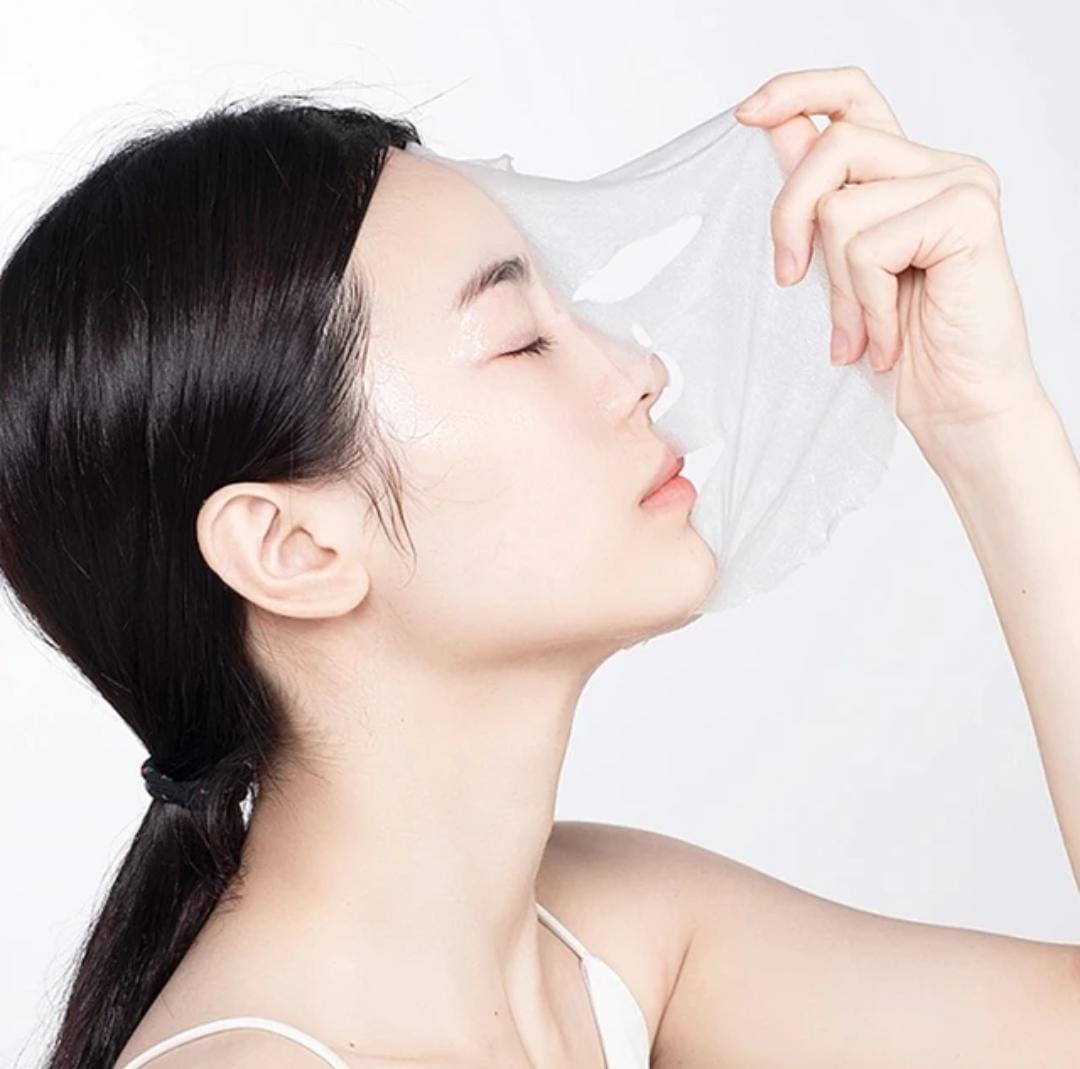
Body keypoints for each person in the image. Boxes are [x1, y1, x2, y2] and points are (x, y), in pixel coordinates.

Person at [3, 65, 1077, 1069]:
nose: (642, 371)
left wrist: (987, 422)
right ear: (295, 548)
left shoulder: (616, 940)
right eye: (522, 337)